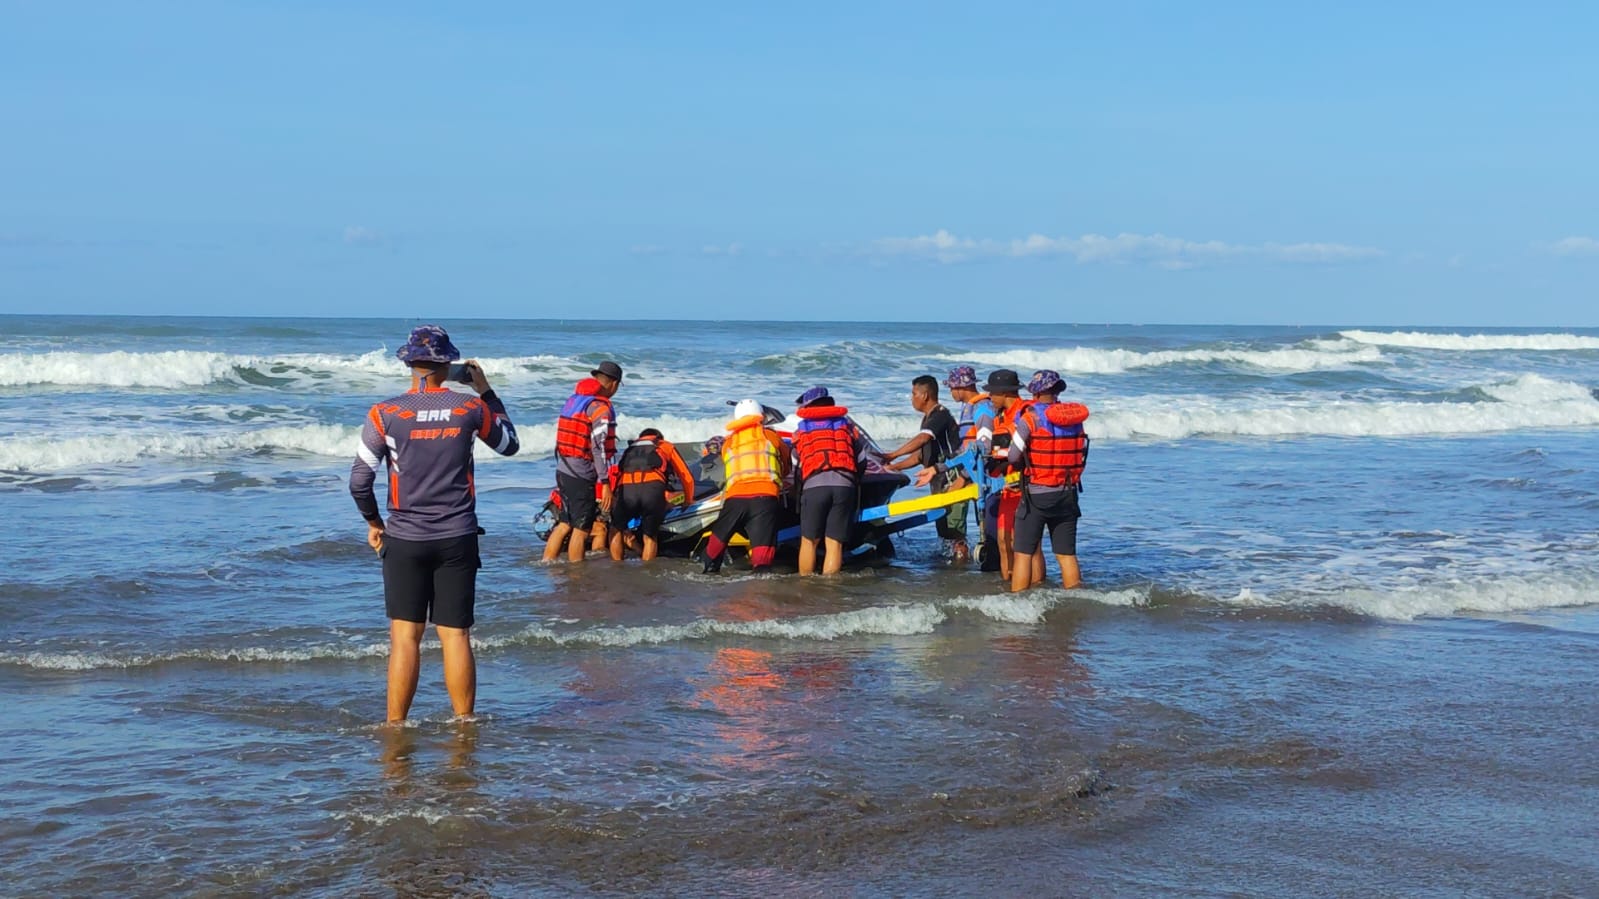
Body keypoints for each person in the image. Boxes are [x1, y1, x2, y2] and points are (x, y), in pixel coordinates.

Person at [350, 325, 520, 723]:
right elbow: (510, 444)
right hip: (457, 535)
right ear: (449, 365)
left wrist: (375, 522)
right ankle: (463, 727)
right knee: (455, 636)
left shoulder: (384, 413)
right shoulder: (472, 409)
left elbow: (360, 481)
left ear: (408, 362)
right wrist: (487, 392)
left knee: (405, 639)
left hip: (404, 537)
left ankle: (395, 727)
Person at [1007, 370, 1090, 591]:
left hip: (1037, 495)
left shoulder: (1030, 418)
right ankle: (1075, 603)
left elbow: (1013, 455)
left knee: (1023, 554)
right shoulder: (1075, 421)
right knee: (1066, 554)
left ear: (1035, 393)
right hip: (1068, 493)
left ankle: (1017, 604)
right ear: (1057, 391)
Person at [543, 362, 622, 563]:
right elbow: (599, 447)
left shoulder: (574, 401)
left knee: (565, 523)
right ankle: (577, 577)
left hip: (563, 469)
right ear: (613, 384)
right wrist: (605, 483)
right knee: (582, 528)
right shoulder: (600, 409)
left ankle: (546, 563)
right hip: (581, 474)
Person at [702, 399, 792, 574]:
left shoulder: (728, 443)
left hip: (735, 499)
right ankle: (759, 587)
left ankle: (708, 575)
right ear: (761, 416)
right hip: (765, 498)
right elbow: (786, 465)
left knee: (716, 545)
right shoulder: (772, 437)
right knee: (762, 554)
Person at [883, 375, 967, 562]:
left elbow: (923, 439)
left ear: (925, 395)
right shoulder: (928, 419)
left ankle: (962, 567)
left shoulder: (940, 415)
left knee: (954, 530)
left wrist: (893, 454)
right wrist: (894, 467)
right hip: (937, 478)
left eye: (914, 394)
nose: (911, 398)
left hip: (952, 476)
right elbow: (921, 455)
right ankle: (952, 565)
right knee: (943, 529)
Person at [791, 386, 871, 576]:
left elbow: (797, 466)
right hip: (844, 485)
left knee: (809, 541)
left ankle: (806, 584)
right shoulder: (847, 427)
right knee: (834, 543)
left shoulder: (801, 431)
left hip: (815, 487)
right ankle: (830, 586)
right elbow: (862, 460)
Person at [609, 427, 698, 562]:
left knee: (616, 529)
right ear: (658, 437)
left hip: (627, 491)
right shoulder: (664, 445)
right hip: (652, 491)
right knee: (650, 536)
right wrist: (688, 500)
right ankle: (647, 570)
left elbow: (618, 475)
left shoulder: (630, 449)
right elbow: (686, 476)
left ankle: (616, 566)